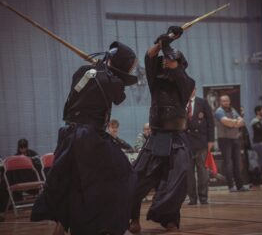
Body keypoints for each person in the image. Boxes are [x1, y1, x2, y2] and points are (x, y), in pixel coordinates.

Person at [31, 41, 138, 235]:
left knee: (72, 181)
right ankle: (108, 226)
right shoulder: (111, 80)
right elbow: (119, 96)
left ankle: (61, 228)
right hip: (89, 137)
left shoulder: (84, 71)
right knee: (125, 173)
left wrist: (99, 69)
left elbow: (87, 84)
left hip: (68, 134)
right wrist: (103, 71)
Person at [129, 26, 195, 233]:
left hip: (177, 138)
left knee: (177, 178)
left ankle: (170, 220)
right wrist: (163, 41)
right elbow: (150, 56)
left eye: (169, 60)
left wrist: (168, 45)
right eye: (164, 60)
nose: (165, 62)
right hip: (156, 137)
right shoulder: (155, 80)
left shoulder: (186, 82)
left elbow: (175, 66)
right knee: (136, 180)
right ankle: (133, 219)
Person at [186, 88, 215, 205]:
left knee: (202, 171)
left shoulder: (202, 102)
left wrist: (211, 140)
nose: (190, 91)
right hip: (186, 143)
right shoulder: (181, 102)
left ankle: (203, 197)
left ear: (195, 90)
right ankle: (192, 198)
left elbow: (210, 122)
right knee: (188, 172)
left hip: (201, 142)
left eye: (192, 88)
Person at [215, 95, 249, 192]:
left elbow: (242, 122)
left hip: (235, 139)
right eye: (223, 101)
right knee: (228, 163)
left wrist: (233, 122)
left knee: (237, 163)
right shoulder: (219, 111)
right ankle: (231, 186)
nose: (225, 102)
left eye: (227, 100)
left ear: (229, 101)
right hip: (224, 140)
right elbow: (226, 122)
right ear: (220, 102)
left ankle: (240, 185)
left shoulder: (233, 109)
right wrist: (235, 122)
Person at [250, 105, 262, 184]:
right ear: (258, 112)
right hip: (260, 144)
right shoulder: (255, 122)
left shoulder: (260, 122)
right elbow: (261, 131)